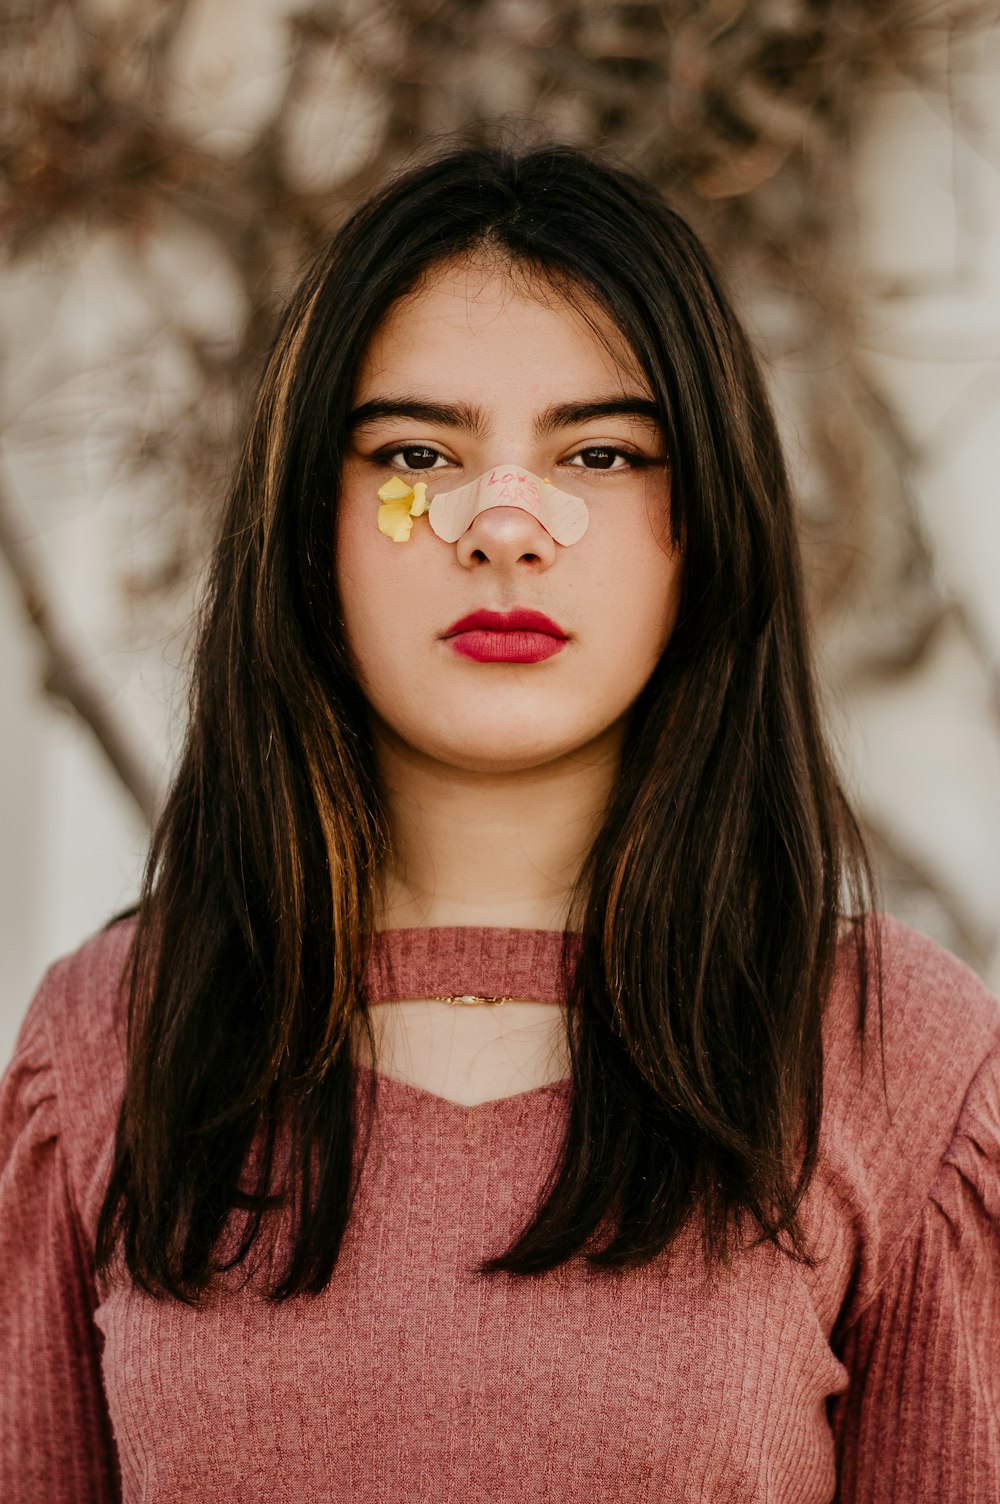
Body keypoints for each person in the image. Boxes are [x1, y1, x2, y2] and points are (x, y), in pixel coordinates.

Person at [1, 142, 997, 1503]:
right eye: (418, 452)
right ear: (313, 521)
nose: (504, 528)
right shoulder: (111, 1038)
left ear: (702, 521)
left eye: (600, 451)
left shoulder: (900, 1059)